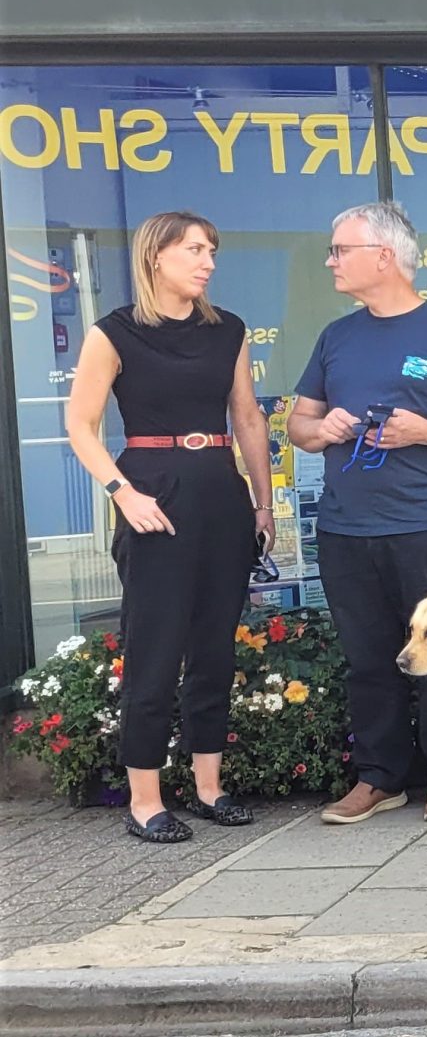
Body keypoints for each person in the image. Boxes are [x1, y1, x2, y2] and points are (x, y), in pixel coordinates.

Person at [285, 201, 427, 826]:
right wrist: (319, 426)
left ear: (384, 257)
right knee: (367, 657)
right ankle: (379, 776)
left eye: (340, 249)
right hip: (345, 527)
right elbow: (298, 425)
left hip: (424, 525)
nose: (330, 260)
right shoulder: (336, 336)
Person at [62, 212, 273, 843]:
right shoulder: (114, 333)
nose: (208, 261)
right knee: (154, 650)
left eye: (212, 249)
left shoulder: (229, 330)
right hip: (150, 490)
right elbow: (81, 425)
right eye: (195, 250)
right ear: (157, 256)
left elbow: (248, 419)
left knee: (214, 650)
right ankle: (146, 799)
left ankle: (209, 787)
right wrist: (122, 493)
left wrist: (262, 505)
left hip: (219, 491)